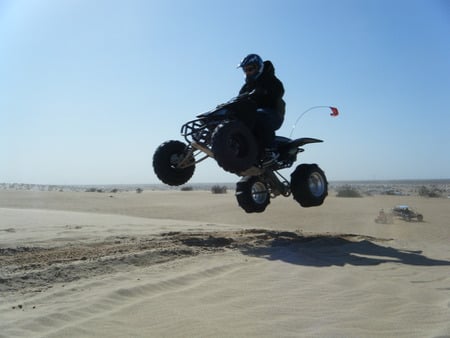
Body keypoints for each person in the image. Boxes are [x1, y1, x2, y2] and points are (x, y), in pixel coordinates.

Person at [238, 53, 285, 165]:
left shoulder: (271, 80)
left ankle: (271, 151)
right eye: (245, 70)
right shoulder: (246, 87)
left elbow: (279, 91)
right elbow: (239, 100)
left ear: (258, 67)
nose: (247, 72)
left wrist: (263, 92)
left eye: (250, 69)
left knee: (259, 115)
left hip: (273, 114)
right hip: (253, 116)